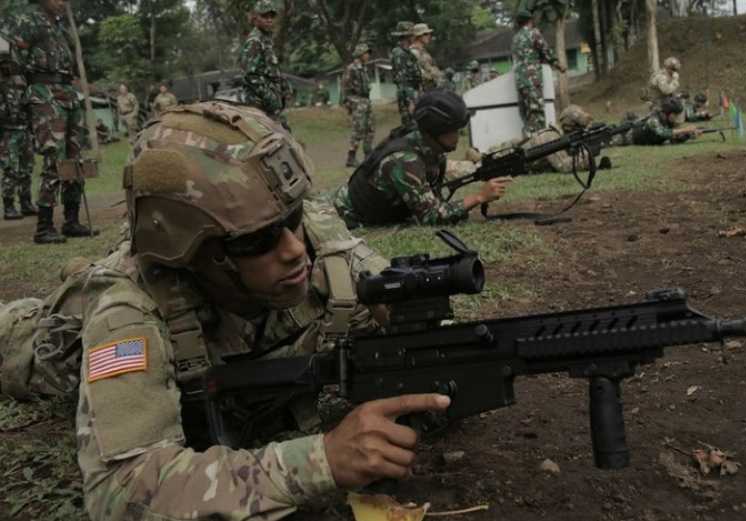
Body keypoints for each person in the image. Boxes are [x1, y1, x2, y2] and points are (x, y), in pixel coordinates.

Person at [0, 100, 453, 520]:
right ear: (192, 251)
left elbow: (381, 286)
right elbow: (122, 491)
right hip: (45, 348)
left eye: (293, 220)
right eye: (257, 241)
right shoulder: (128, 310)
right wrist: (322, 460)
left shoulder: (291, 220)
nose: (296, 249)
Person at [333, 89, 512, 228]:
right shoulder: (404, 160)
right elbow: (430, 217)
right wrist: (479, 197)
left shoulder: (427, 145)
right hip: (343, 215)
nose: (458, 136)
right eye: (453, 130)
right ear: (435, 130)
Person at [16, 0, 96, 244]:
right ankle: (44, 226)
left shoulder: (61, 28)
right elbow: (16, 57)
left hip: (67, 93)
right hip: (43, 92)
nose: (63, 2)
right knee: (54, 158)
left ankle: (71, 221)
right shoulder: (29, 21)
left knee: (75, 159)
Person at [484, 105, 598, 174]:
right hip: (495, 161)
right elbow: (564, 166)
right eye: (580, 130)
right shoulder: (551, 138)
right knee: (468, 169)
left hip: (505, 157)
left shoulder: (559, 137)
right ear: (569, 127)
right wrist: (589, 155)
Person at [0, 16, 37, 220]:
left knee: (27, 167)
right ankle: (8, 206)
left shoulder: (22, 79)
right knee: (10, 169)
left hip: (24, 128)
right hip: (7, 130)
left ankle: (25, 202)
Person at [512, 8, 565, 137]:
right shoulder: (533, 33)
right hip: (532, 78)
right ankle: (541, 145)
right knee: (538, 112)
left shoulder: (515, 38)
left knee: (528, 114)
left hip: (520, 81)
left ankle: (529, 140)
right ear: (530, 20)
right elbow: (546, 52)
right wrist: (559, 65)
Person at [239, 0, 291, 128]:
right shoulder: (255, 41)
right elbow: (251, 76)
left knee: (284, 139)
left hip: (271, 106)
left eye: (271, 16)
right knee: (279, 141)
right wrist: (270, 98)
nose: (269, 20)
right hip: (259, 106)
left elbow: (271, 70)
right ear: (255, 18)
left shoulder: (266, 40)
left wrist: (284, 86)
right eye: (264, 16)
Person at [343, 43, 375, 168]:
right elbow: (345, 87)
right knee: (358, 129)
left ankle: (368, 155)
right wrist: (349, 103)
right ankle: (351, 157)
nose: (368, 55)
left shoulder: (364, 68)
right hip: (357, 101)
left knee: (370, 128)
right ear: (360, 54)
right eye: (366, 53)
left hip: (366, 101)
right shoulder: (352, 68)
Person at [631, 96, 701, 145]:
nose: (676, 117)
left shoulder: (667, 122)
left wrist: (689, 135)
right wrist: (686, 130)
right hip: (626, 138)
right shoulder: (654, 119)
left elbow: (672, 140)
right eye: (675, 115)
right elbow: (663, 133)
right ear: (668, 113)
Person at [389, 21, 421, 128]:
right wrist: (410, 101)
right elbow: (402, 79)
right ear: (407, 37)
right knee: (410, 127)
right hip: (408, 95)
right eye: (412, 35)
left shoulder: (408, 53)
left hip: (413, 92)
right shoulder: (399, 53)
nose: (414, 37)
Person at [409, 23, 443, 93]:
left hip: (430, 89)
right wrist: (433, 74)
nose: (429, 36)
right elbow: (418, 74)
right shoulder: (414, 52)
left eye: (429, 34)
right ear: (419, 36)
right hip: (422, 91)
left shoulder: (423, 51)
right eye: (426, 34)